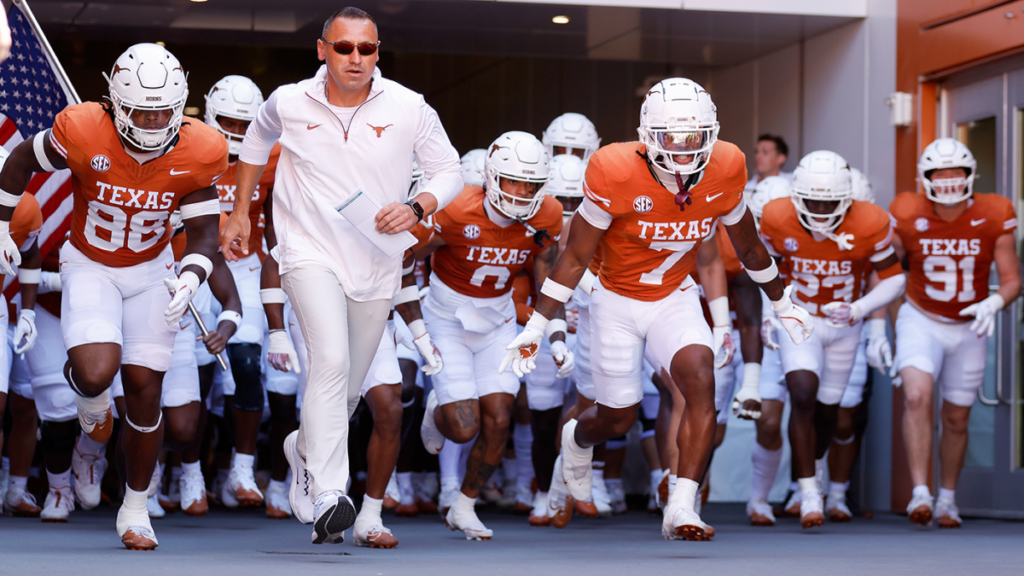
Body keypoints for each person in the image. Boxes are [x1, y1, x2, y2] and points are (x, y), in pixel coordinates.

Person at [504, 78, 812, 541]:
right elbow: (573, 257)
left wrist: (783, 301)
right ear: (648, 135)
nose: (685, 149)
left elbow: (747, 247)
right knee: (617, 417)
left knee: (699, 375)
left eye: (695, 137)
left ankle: (682, 506)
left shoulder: (726, 165)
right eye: (673, 138)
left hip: (673, 294)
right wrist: (540, 325)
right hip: (615, 301)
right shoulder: (614, 169)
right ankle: (576, 439)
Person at [220, 7, 463, 545]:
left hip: (377, 262)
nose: (357, 58)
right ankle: (330, 492)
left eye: (367, 49)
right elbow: (256, 144)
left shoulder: (408, 106)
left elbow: (451, 170)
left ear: (378, 52)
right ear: (322, 49)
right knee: (328, 361)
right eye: (345, 47)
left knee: (347, 392)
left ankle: (300, 449)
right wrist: (241, 210)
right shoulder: (287, 100)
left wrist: (418, 206)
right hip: (307, 253)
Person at [0, 43, 226, 549]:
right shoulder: (83, 128)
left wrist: (191, 275)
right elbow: (19, 160)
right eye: (141, 110)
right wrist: (1, 222)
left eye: (163, 111)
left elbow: (207, 235)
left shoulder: (201, 147)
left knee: (145, 393)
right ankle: (87, 395)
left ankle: (135, 508)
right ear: (116, 103)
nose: (151, 122)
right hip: (91, 263)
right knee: (98, 372)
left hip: (152, 270)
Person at [417, 131, 568, 539]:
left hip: (498, 321)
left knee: (499, 419)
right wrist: (406, 314)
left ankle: (464, 506)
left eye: (531, 185)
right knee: (463, 428)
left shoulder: (548, 214)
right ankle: (437, 410)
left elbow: (547, 276)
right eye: (512, 182)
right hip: (447, 319)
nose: (521, 193)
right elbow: (406, 256)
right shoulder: (453, 208)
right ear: (490, 177)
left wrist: (553, 330)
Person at [759, 151, 905, 529]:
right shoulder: (777, 216)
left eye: (829, 202)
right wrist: (768, 314)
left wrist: (859, 309)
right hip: (800, 319)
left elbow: (894, 278)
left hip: (844, 326)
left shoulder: (870, 221)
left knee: (827, 411)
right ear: (796, 197)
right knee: (802, 393)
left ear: (849, 200)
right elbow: (762, 269)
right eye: (812, 201)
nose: (820, 209)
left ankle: (815, 477)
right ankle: (809, 493)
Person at [891, 138, 1020, 528]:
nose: (948, 181)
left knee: (957, 418)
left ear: (970, 176)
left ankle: (947, 497)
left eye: (955, 173)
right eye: (939, 174)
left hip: (970, 324)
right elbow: (887, 273)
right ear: (924, 178)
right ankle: (919, 494)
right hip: (921, 316)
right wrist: (880, 323)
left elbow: (1013, 279)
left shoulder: (995, 211)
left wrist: (993, 303)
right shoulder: (907, 210)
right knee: (916, 396)